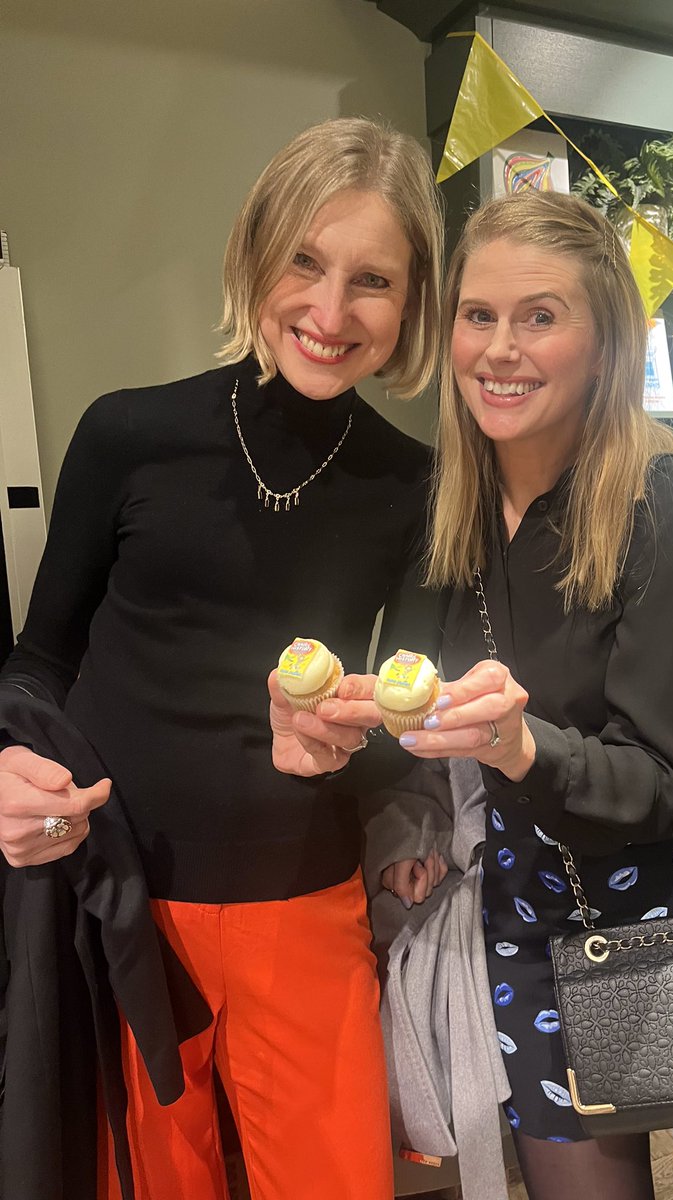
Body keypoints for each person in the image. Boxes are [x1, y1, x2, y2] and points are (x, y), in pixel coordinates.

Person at [0, 117, 446, 1200]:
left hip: (304, 901)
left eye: (373, 280)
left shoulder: (420, 486)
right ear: (255, 251)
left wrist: (368, 767)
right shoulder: (127, 436)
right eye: (305, 260)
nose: (330, 314)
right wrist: (6, 763)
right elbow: (37, 661)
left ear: (413, 300)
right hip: (121, 897)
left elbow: (407, 720)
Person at [392, 189, 673, 1200]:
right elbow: (418, 716)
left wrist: (517, 746)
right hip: (531, 931)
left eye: (541, 315)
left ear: (606, 341)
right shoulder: (446, 517)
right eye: (478, 314)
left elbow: (659, 787)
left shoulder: (668, 508)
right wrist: (395, 797)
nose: (500, 348)